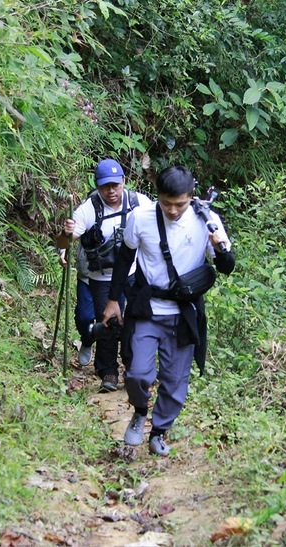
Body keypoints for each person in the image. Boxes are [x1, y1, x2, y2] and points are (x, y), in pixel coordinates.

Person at [102, 166, 235, 456]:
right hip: (148, 309)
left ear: (191, 197)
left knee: (175, 382)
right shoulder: (142, 217)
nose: (173, 211)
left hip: (183, 313)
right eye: (166, 203)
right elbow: (125, 257)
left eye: (180, 204)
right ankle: (139, 412)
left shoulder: (207, 220)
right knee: (137, 374)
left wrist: (221, 250)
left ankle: (159, 432)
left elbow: (226, 267)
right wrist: (113, 300)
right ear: (157, 196)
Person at [55, 159, 152, 392]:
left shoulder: (140, 203)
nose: (111, 191)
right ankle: (108, 372)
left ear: (123, 182)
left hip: (132, 272)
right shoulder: (89, 209)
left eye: (115, 185)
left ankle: (133, 368)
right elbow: (64, 241)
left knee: (136, 321)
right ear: (98, 186)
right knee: (108, 322)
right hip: (101, 276)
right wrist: (64, 237)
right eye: (105, 186)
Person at [58, 245, 95, 366]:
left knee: (109, 321)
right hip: (87, 275)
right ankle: (87, 340)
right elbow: (69, 231)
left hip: (113, 277)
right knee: (84, 317)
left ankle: (106, 367)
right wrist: (63, 251)